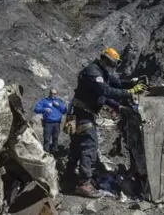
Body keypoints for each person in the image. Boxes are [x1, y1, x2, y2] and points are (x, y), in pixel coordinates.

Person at [67, 47, 147, 198]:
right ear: (105, 59)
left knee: (77, 147)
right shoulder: (93, 72)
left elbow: (115, 85)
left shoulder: (102, 73)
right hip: (83, 114)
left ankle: (69, 177)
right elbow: (106, 91)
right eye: (111, 63)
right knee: (90, 145)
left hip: (84, 113)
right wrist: (130, 92)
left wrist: (130, 84)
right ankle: (84, 183)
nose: (111, 67)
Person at [34, 89, 67, 153]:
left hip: (57, 123)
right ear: (49, 93)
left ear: (56, 94)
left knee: (55, 138)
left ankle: (55, 152)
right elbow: (36, 109)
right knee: (46, 139)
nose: (53, 95)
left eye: (54, 94)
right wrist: (44, 109)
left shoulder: (59, 101)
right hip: (48, 123)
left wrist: (58, 105)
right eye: (51, 93)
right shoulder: (44, 101)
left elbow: (64, 111)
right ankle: (46, 152)